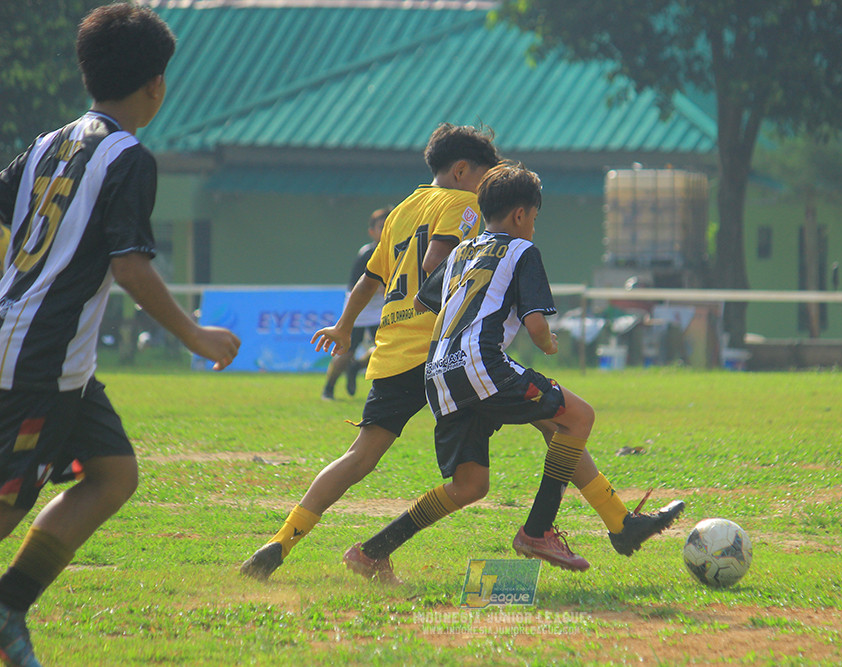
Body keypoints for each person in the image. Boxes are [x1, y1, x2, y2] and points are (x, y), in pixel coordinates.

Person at [0, 6, 241, 665]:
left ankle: (8, 609)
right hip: (38, 362)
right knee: (6, 505)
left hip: (56, 359)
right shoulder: (128, 157)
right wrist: (195, 334)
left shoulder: (44, 146)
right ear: (157, 84)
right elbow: (130, 265)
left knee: (113, 473)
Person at [342, 163, 684, 582]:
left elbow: (432, 299)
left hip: (438, 374)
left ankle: (373, 551)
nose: (535, 229)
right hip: (481, 365)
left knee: (469, 485)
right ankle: (538, 531)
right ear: (521, 215)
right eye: (535, 219)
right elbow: (537, 326)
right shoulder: (523, 251)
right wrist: (548, 344)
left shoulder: (459, 255)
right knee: (578, 417)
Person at [240, 123, 501, 581]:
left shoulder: (401, 211)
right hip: (442, 348)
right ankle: (604, 518)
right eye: (486, 176)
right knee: (548, 412)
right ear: (462, 170)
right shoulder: (464, 204)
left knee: (359, 457)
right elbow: (438, 266)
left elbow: (370, 279)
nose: (489, 189)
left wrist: (344, 326)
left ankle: (282, 540)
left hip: (394, 348)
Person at [321, 208, 389, 400]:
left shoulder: (397, 251)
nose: (386, 230)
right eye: (382, 227)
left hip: (381, 306)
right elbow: (360, 287)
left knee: (386, 347)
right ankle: (329, 388)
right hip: (359, 307)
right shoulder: (366, 254)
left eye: (389, 226)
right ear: (372, 232)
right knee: (345, 351)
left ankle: (357, 367)